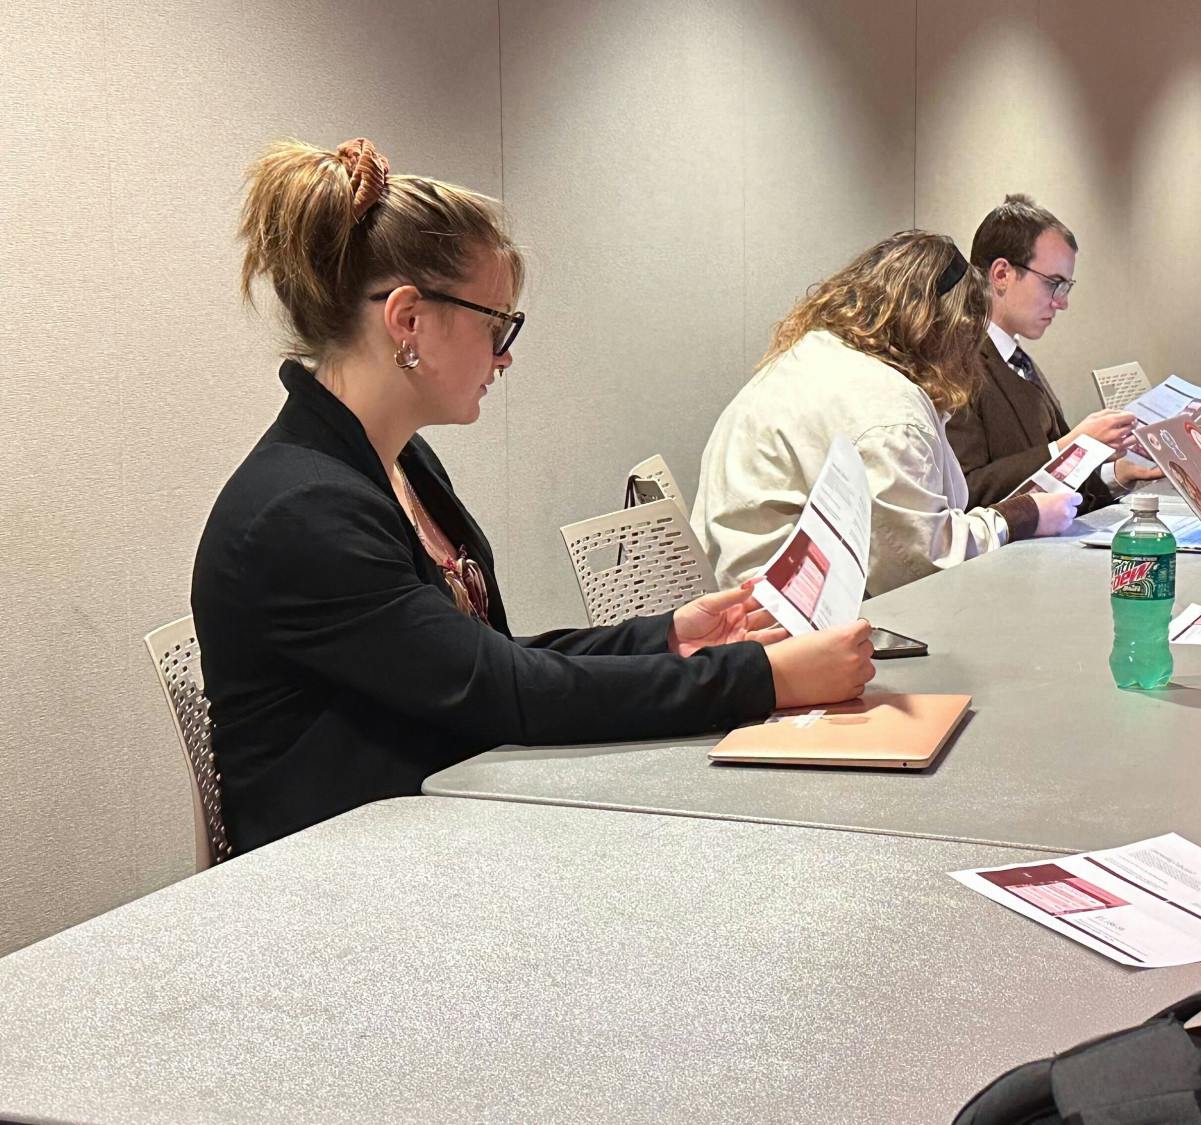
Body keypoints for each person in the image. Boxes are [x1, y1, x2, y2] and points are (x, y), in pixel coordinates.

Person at [194, 138, 872, 853]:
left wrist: (669, 636)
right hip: (341, 878)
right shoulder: (302, 512)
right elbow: (505, 689)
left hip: (432, 824)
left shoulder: (398, 465)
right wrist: (758, 678)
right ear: (407, 321)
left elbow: (478, 660)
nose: (506, 354)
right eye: (495, 325)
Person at [694, 230, 1079, 596]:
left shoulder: (814, 355)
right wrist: (1019, 517)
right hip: (789, 628)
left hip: (748, 603)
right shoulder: (886, 409)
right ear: (942, 326)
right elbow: (919, 567)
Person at [947, 194, 1162, 510]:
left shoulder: (1015, 358)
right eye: (1053, 284)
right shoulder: (954, 361)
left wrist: (1117, 474)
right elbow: (965, 493)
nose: (1062, 302)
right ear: (1002, 274)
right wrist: (1071, 445)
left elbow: (1055, 478)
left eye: (1065, 287)